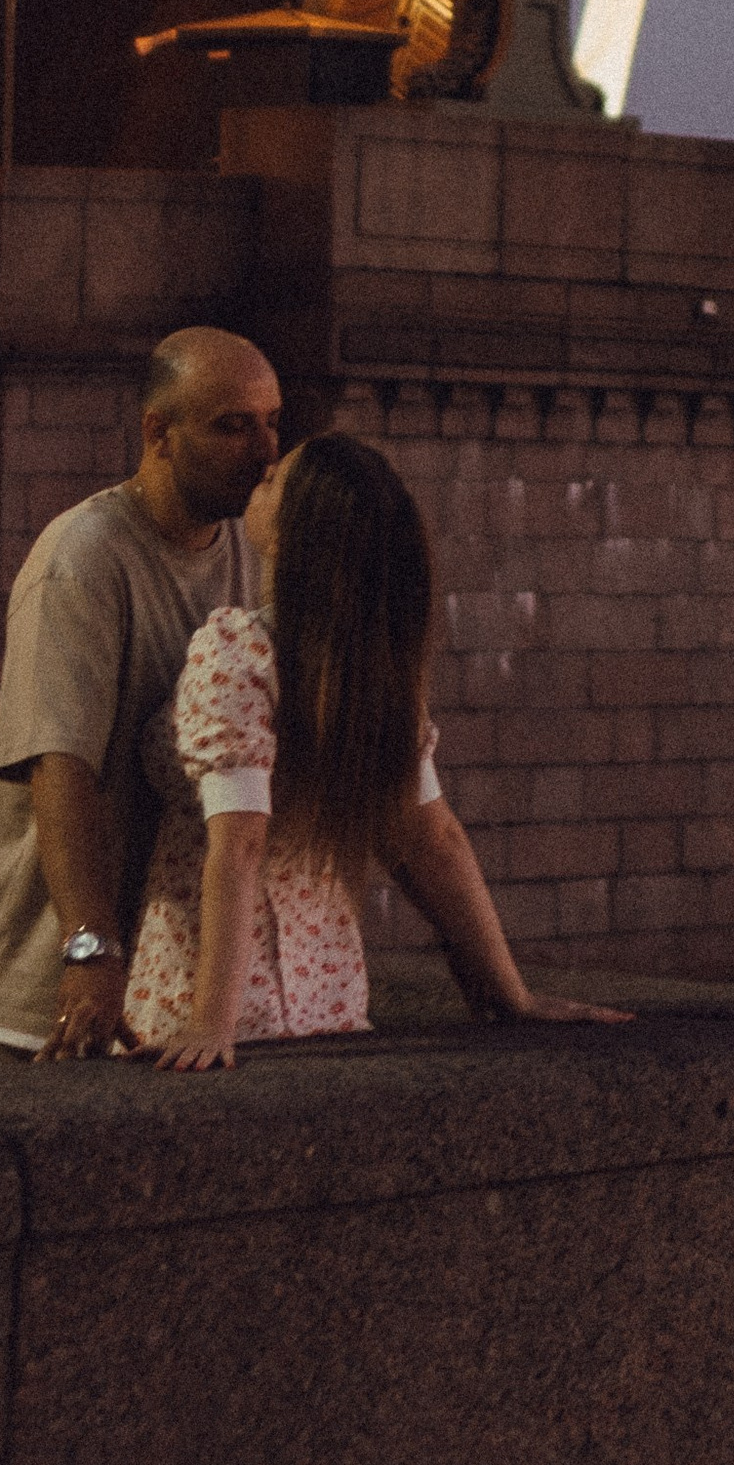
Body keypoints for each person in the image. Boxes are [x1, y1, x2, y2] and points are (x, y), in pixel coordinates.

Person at [122, 429, 628, 1062]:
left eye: (277, 481)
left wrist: (210, 1024)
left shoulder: (238, 652)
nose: (262, 471)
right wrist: (511, 994)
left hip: (211, 998)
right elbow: (433, 837)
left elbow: (240, 843)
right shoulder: (371, 674)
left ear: (295, 535)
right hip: (330, 1002)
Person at [0, 324, 281, 1064]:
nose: (263, 452)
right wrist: (91, 949)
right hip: (47, 1004)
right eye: (232, 426)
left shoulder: (256, 559)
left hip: (170, 1003)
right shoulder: (84, 558)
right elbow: (58, 768)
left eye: (271, 423)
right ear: (157, 432)